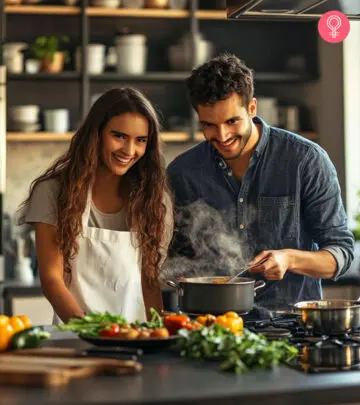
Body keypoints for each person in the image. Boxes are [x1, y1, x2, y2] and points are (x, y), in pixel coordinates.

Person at [166, 53, 355, 309]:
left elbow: (341, 254)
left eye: (232, 121)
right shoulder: (183, 172)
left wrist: (290, 259)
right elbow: (176, 257)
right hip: (211, 325)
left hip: (290, 324)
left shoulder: (305, 160)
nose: (222, 136)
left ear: (252, 108)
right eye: (209, 125)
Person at [18, 87, 173, 323]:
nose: (129, 150)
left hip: (137, 338)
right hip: (76, 335)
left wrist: (158, 334)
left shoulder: (154, 199)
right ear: (96, 133)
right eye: (119, 136)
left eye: (140, 140)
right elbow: (51, 279)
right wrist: (92, 332)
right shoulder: (53, 191)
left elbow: (149, 282)